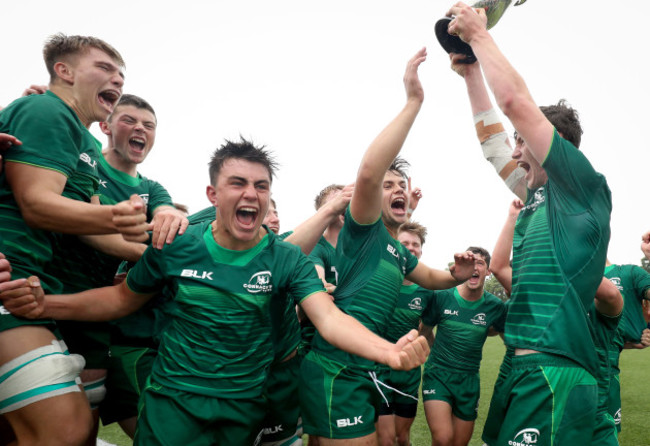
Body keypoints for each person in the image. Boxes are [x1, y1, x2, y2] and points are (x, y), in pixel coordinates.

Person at [0, 138, 429, 446]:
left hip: (243, 407)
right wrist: (46, 305)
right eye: (238, 183)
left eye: (261, 187)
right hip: (173, 404)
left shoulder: (286, 258)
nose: (251, 194)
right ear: (213, 194)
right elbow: (119, 299)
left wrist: (386, 351)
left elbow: (329, 318)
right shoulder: (179, 245)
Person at [446, 4, 613, 444]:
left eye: (522, 140)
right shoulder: (536, 194)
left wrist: (480, 34)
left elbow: (514, 102)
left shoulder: (580, 189)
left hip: (551, 368)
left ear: (550, 144)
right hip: (521, 365)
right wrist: (470, 74)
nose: (515, 151)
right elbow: (493, 146)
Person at [299, 48, 476, 445]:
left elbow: (430, 276)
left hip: (361, 364)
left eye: (402, 185)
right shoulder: (366, 231)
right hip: (336, 365)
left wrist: (455, 275)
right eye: (389, 185)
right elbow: (367, 174)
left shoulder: (398, 251)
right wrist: (414, 102)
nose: (397, 189)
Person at [0, 34, 149, 446]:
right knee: (66, 426)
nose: (116, 80)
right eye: (104, 68)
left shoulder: (84, 143)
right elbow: (35, 203)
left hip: (29, 285)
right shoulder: (45, 109)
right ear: (63, 72)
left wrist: (159, 255)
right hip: (9, 279)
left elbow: (95, 230)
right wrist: (115, 215)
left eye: (121, 74)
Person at [39, 93, 187, 439]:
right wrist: (151, 259)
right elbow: (86, 229)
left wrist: (173, 218)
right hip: (49, 292)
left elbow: (168, 214)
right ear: (105, 125)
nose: (140, 129)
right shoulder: (85, 161)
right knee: (31, 405)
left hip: (100, 316)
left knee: (84, 413)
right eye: (129, 121)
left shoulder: (151, 188)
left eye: (148, 125)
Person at [420, 247, 506, 446]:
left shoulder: (495, 307)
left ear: (488, 271)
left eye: (480, 263)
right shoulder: (442, 296)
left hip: (469, 381)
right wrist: (437, 357)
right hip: (438, 376)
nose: (474, 268)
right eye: (470, 262)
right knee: (442, 439)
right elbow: (424, 332)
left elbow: (507, 341)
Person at [376, 221, 435, 446]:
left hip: (409, 373)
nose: (411, 248)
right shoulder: (381, 279)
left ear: (421, 250)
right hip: (378, 368)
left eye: (416, 244)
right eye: (405, 243)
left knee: (402, 438)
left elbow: (427, 330)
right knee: (386, 439)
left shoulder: (427, 291)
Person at [603, 237, 650, 435]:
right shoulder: (564, 278)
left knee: (604, 437)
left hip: (606, 375)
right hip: (562, 371)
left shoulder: (628, 273)